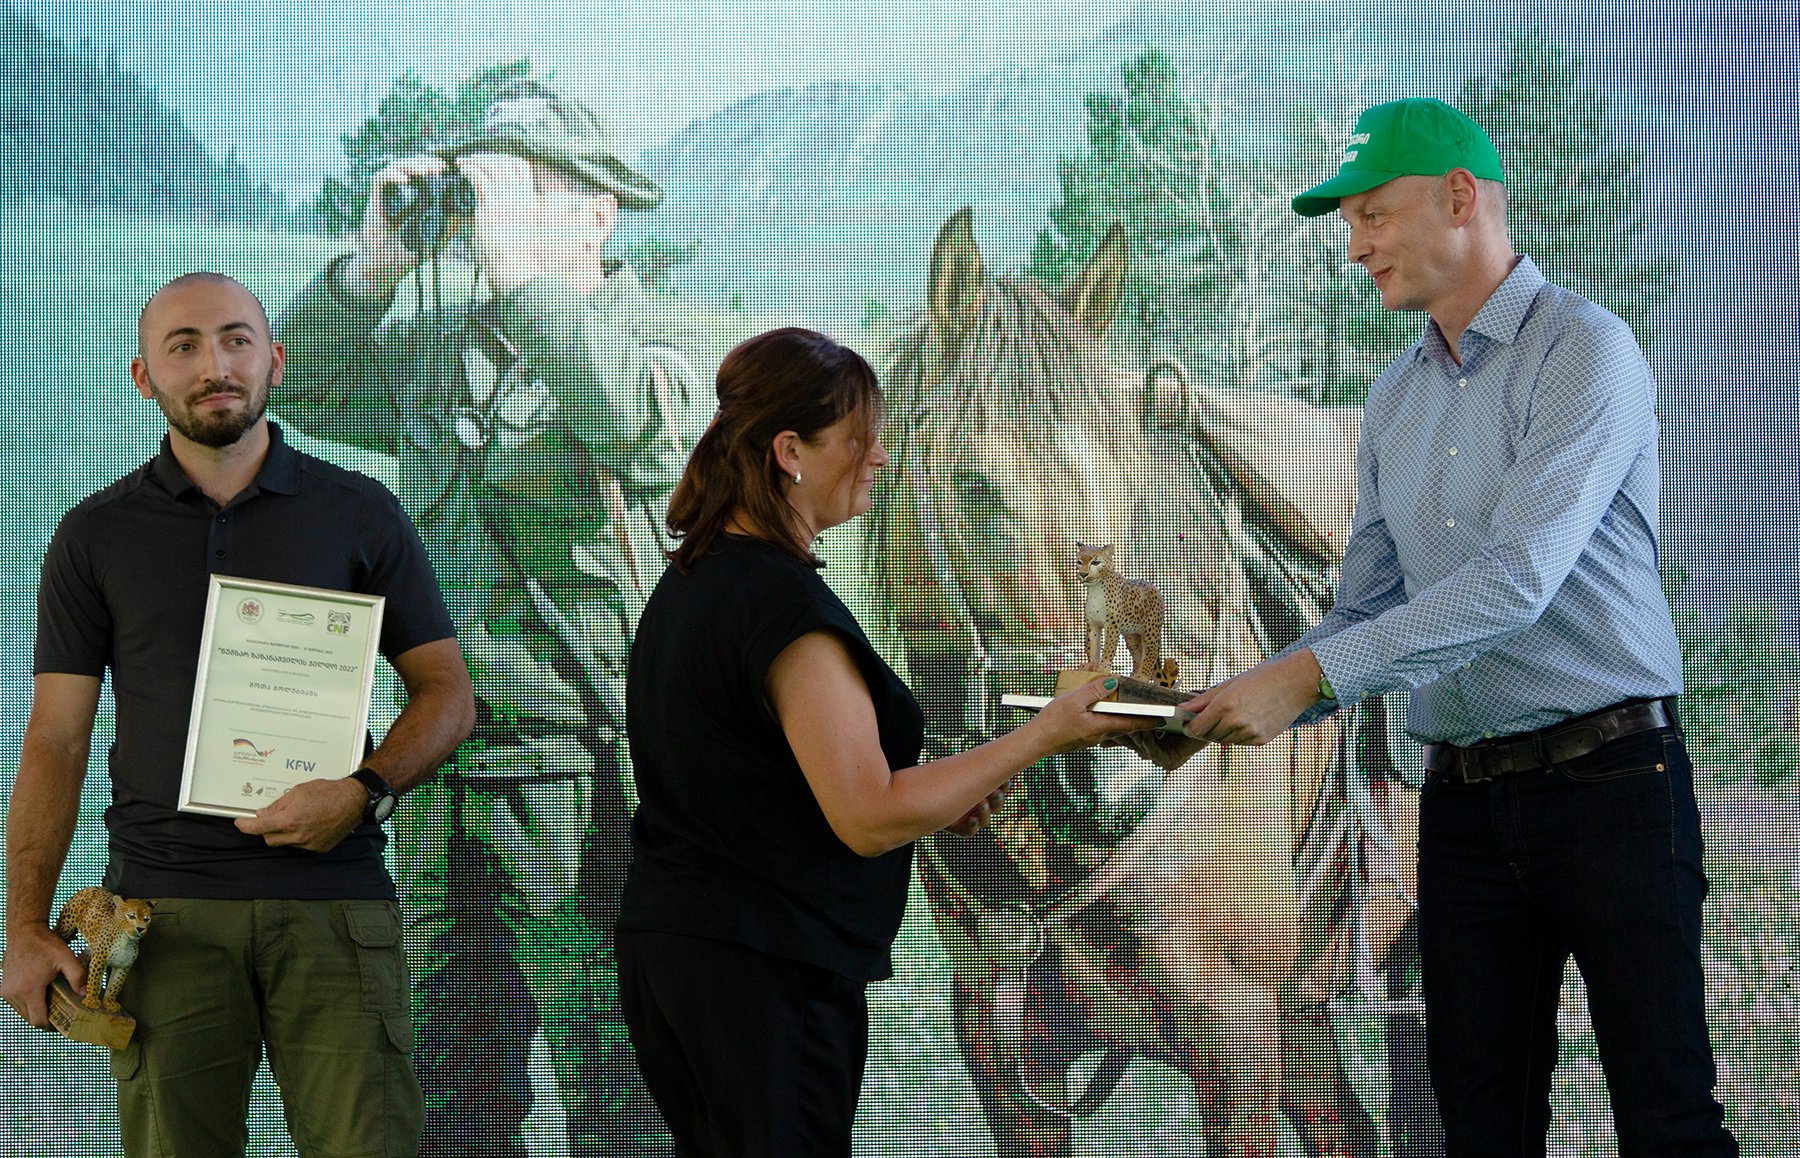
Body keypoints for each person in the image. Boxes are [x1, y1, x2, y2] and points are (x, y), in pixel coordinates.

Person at [1177, 98, 1737, 1155]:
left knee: (1666, 1118)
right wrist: (1219, 703)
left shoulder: (1586, 350)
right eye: (1351, 224)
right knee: (1476, 1128)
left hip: (1614, 786)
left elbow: (1515, 581)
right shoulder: (1393, 399)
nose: (1355, 248)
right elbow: (1364, 612)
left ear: (1461, 198)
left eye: (1372, 215)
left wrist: (1302, 683)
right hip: (1466, 807)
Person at [274, 78, 692, 1156]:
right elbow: (299, 386)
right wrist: (373, 266)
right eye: (484, 188)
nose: (494, 212)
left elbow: (638, 435)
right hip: (442, 779)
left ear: (599, 213)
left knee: (620, 1102)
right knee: (452, 1102)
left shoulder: (652, 345)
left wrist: (521, 279)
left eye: (527, 187)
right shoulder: (441, 346)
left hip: (587, 789)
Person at [615, 327, 1151, 1156]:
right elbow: (867, 814)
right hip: (766, 978)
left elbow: (770, 786)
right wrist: (1047, 732)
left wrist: (939, 796)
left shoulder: (700, 579)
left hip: (692, 960)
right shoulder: (784, 611)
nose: (880, 457)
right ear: (790, 452)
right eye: (859, 437)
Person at [0, 272, 476, 1157]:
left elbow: (448, 693)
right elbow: (57, 739)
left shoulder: (361, 511)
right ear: (144, 377)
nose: (213, 365)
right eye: (182, 346)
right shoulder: (94, 534)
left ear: (275, 361)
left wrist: (362, 792)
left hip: (335, 903)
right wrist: (23, 926)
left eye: (236, 339)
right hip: (163, 911)